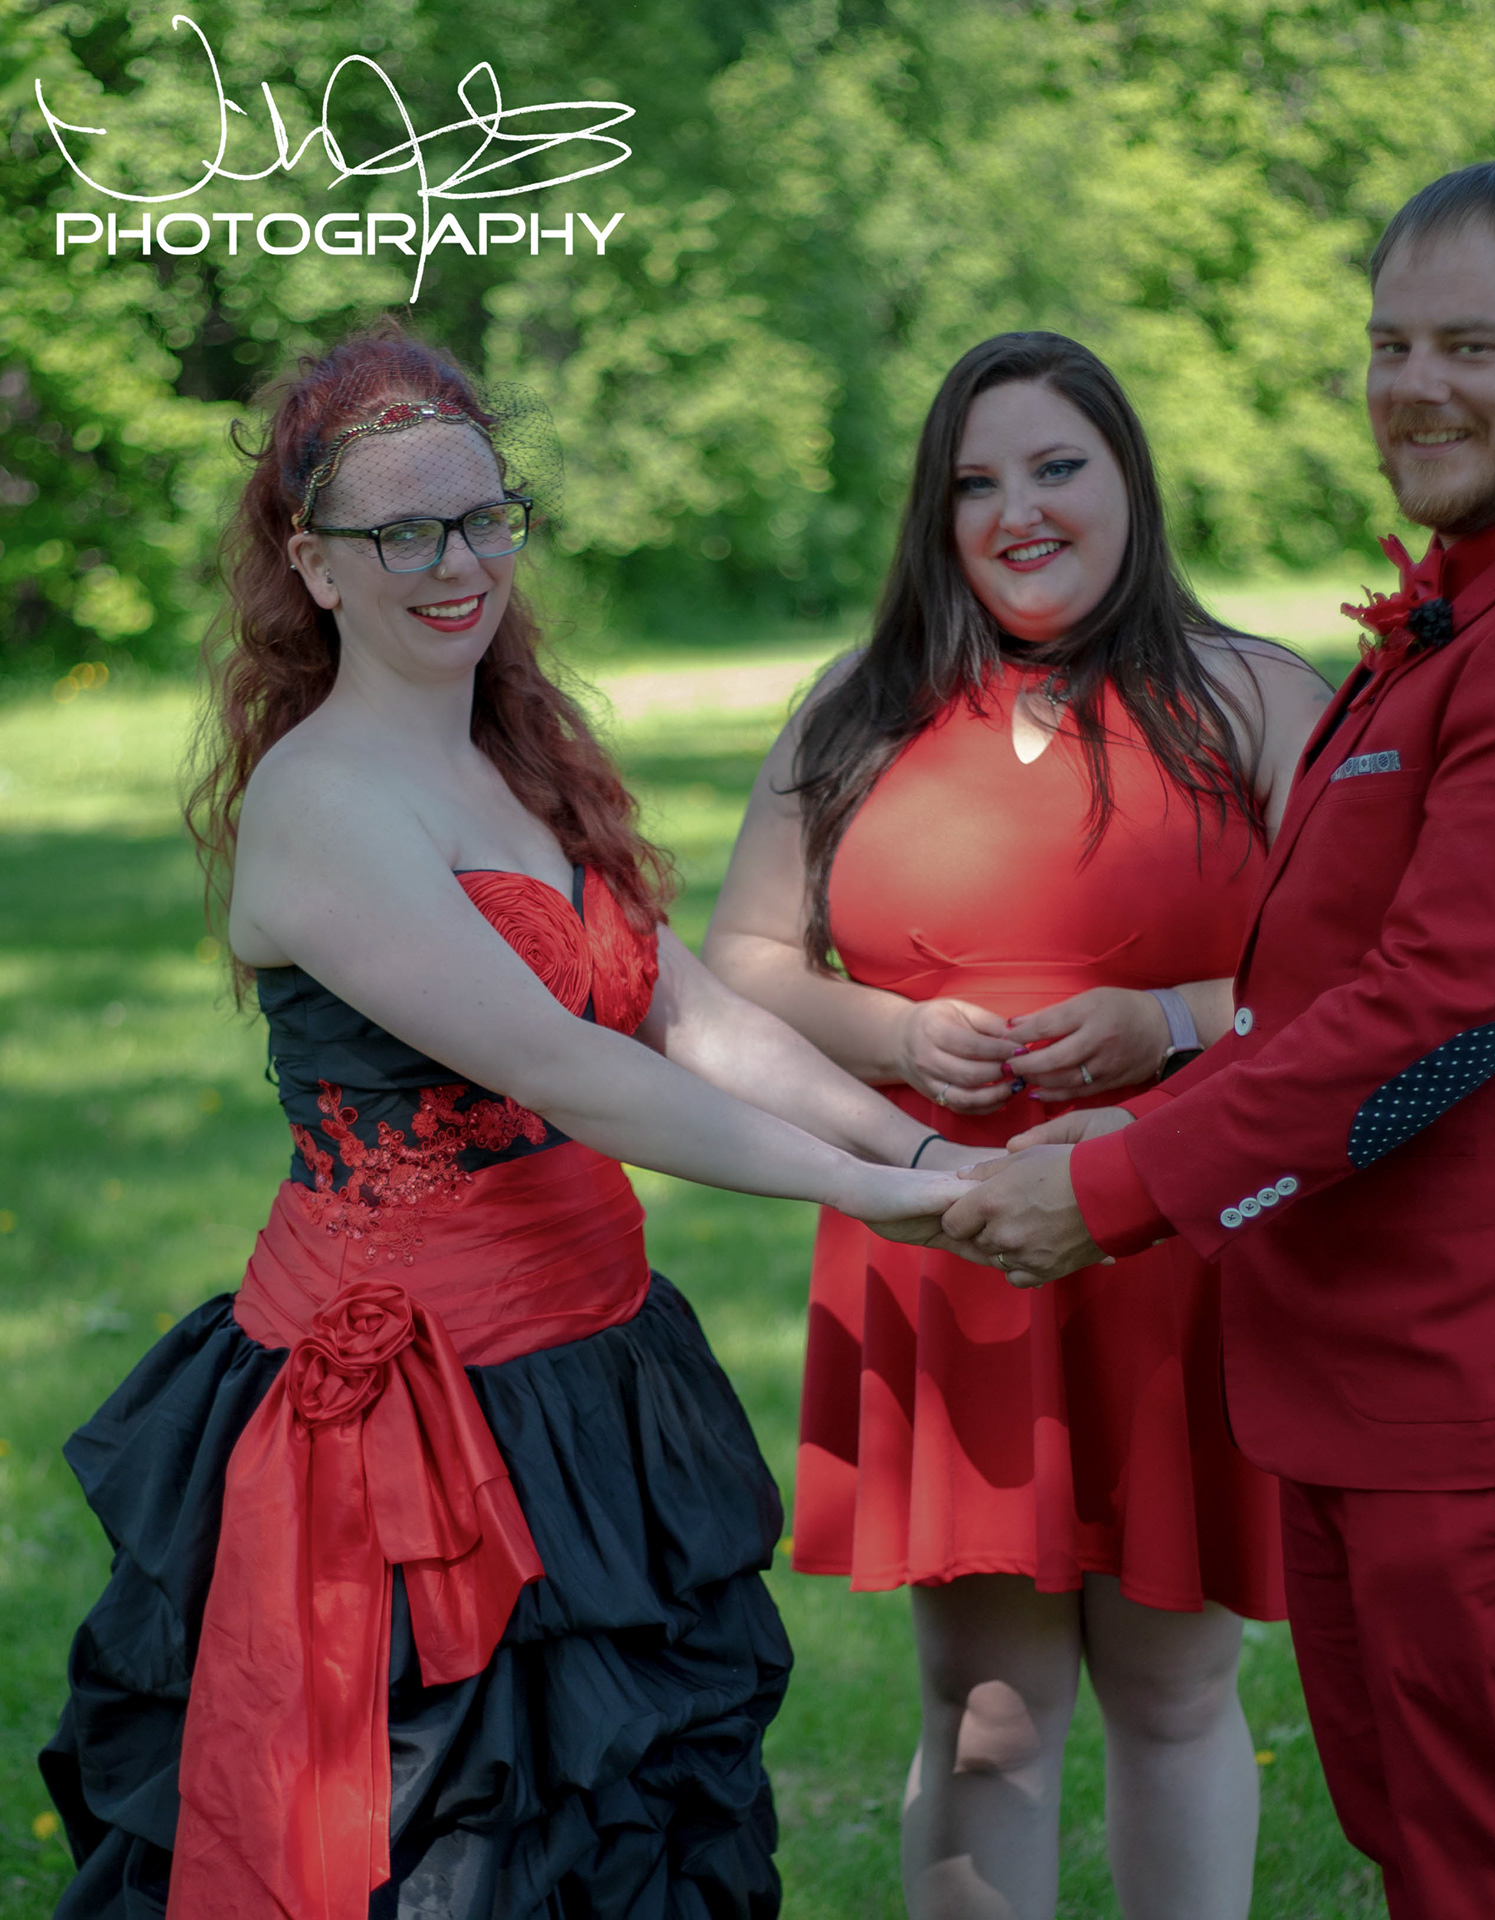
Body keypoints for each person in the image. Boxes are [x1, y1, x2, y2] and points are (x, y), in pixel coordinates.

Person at [37, 324, 975, 1920]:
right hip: (415, 1415)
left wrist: (926, 1153)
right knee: (454, 1848)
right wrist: (861, 1193)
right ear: (314, 565)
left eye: (483, 517)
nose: (457, 562)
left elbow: (691, 1016)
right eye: (402, 531)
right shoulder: (319, 801)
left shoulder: (516, 759)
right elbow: (566, 1067)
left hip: (586, 1362)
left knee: (620, 1826)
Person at [944, 164, 1495, 1919]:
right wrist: (1120, 1140)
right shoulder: (1477, 604)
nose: (1416, 387)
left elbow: (1443, 1024)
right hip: (1384, 1388)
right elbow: (1327, 1005)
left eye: (1473, 345)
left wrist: (1124, 1189)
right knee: (1429, 1857)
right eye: (1391, 345)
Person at [704, 331, 1329, 1919]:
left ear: (1130, 481)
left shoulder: (1256, 696)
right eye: (976, 482)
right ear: (937, 511)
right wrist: (896, 1031)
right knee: (984, 1708)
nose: (1017, 510)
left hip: (1179, 1234)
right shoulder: (856, 710)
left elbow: (1371, 978)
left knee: (1175, 1685)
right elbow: (743, 963)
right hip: (950, 1240)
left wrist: (1169, 1019)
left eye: (1058, 467)